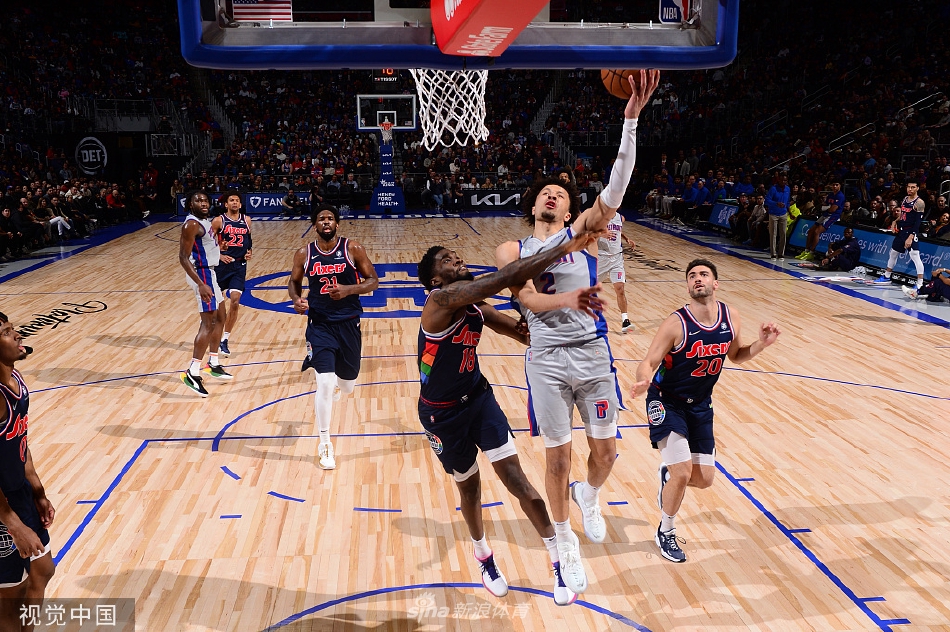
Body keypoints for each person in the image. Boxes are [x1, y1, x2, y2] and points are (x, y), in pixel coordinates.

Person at [495, 69, 660, 596]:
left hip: (591, 353)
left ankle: (589, 494)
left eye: (560, 194)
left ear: (571, 209)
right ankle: (564, 540)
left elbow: (616, 188)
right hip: (546, 358)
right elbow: (525, 299)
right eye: (544, 193)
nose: (551, 196)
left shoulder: (583, 233)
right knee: (557, 456)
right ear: (533, 205)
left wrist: (630, 121)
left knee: (605, 453)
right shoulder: (511, 250)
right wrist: (568, 298)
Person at [415, 227, 604, 605]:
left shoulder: (475, 308)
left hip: (478, 400)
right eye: (447, 260)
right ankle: (483, 554)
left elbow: (523, 335)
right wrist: (561, 248)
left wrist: (559, 325)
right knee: (470, 488)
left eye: (456, 254)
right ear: (435, 280)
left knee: (517, 479)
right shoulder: (440, 299)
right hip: (441, 415)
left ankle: (558, 560)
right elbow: (503, 277)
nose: (457, 259)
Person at [631, 259, 780, 563]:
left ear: (715, 283)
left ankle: (669, 475)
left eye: (703, 274)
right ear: (688, 286)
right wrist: (643, 380)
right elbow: (649, 361)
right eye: (692, 276)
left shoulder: (730, 316)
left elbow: (736, 355)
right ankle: (666, 530)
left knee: (704, 479)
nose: (697, 278)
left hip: (700, 404)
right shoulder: (676, 323)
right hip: (666, 400)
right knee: (683, 473)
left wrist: (761, 345)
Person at [288, 204, 379, 470]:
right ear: (314, 225)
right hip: (319, 324)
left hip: (348, 323)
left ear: (337, 224)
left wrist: (348, 289)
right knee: (325, 383)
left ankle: (341, 385)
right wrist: (296, 298)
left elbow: (373, 281)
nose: (326, 222)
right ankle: (325, 443)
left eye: (330, 218)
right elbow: (294, 281)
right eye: (321, 219)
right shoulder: (304, 253)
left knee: (347, 384)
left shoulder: (353, 249)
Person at [0, 313, 56, 629]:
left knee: (43, 570)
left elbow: (20, 441)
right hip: (2, 507)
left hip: (18, 493)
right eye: (6, 333)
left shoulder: (16, 379)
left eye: (12, 329)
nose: (17, 335)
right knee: (10, 599)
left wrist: (38, 491)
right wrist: (12, 523)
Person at [178, 191, 232, 397]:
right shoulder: (191, 224)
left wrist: (219, 248)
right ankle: (192, 372)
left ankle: (213, 362)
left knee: (221, 317)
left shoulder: (205, 221)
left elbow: (204, 247)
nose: (203, 203)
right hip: (201, 274)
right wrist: (201, 284)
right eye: (198, 200)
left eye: (205, 200)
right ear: (190, 204)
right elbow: (183, 257)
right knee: (208, 323)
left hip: (210, 272)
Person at [216, 192, 253, 357]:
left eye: (237, 200)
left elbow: (248, 240)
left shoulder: (247, 220)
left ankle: (224, 339)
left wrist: (249, 251)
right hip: (221, 266)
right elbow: (208, 242)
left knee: (235, 301)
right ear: (226, 204)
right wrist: (219, 255)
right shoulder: (219, 221)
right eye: (231, 200)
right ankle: (210, 329)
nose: (235, 203)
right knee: (216, 305)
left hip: (239, 266)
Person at [872, 178, 926, 289]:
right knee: (893, 253)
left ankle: (920, 284)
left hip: (911, 231)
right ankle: (887, 276)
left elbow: (917, 223)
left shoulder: (919, 203)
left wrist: (910, 237)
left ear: (917, 188)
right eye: (908, 187)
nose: (910, 189)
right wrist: (895, 221)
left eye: (913, 187)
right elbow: (903, 214)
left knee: (915, 256)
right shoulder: (905, 198)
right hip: (902, 231)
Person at [597, 211, 635, 333]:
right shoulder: (598, 216)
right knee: (589, 288)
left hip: (617, 258)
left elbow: (618, 231)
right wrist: (601, 234)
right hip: (601, 258)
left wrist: (626, 238)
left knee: (620, 289)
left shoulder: (620, 217)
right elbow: (587, 232)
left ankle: (625, 320)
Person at [796, 182, 844, 260]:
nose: (835, 186)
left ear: (840, 186)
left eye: (836, 185)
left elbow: (832, 209)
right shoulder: (831, 195)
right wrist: (826, 207)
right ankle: (806, 251)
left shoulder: (840, 196)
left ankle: (811, 253)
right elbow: (824, 206)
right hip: (825, 214)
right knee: (810, 231)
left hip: (833, 216)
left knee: (817, 232)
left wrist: (826, 208)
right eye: (833, 185)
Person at [765, 174, 790, 260]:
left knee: (783, 233)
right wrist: (776, 203)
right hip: (773, 214)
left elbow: (788, 201)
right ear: (778, 180)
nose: (783, 182)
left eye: (785, 180)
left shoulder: (788, 189)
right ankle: (773, 253)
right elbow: (767, 200)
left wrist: (789, 211)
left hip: (783, 213)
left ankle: (781, 253)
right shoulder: (773, 189)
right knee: (773, 234)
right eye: (782, 180)